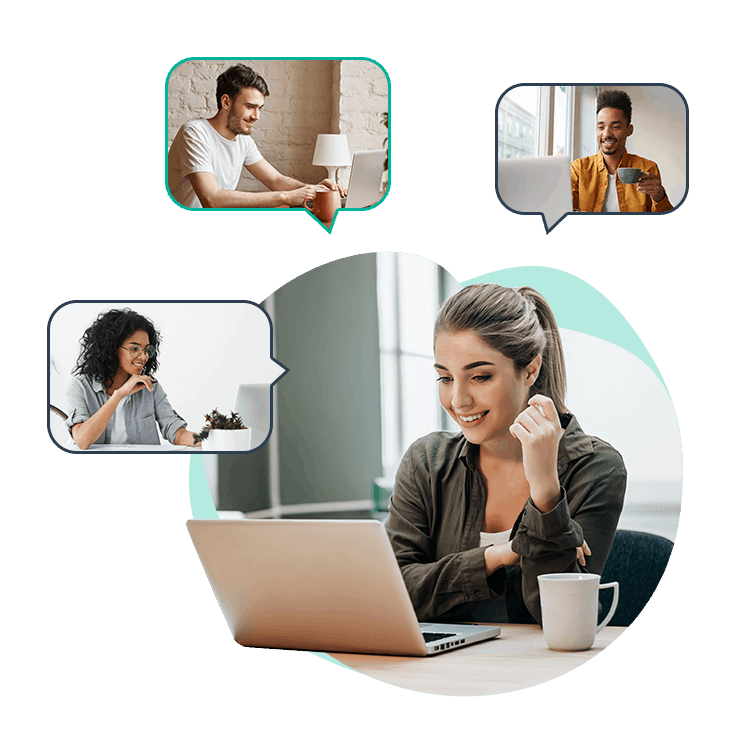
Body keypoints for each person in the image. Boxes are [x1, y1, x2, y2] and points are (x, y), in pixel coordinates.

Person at [384, 284, 627, 625]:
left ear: (530, 370)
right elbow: (393, 592)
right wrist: (499, 556)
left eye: (480, 376)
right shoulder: (427, 463)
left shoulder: (596, 467)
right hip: (435, 670)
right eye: (445, 378)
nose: (458, 400)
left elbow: (562, 617)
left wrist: (545, 490)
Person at [168, 64, 343, 209]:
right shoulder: (194, 133)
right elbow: (211, 198)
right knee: (282, 205)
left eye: (260, 108)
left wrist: (314, 189)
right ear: (226, 102)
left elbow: (276, 180)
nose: (256, 116)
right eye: (250, 106)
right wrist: (285, 197)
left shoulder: (244, 141)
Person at [66, 309, 201, 450]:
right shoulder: (80, 386)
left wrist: (206, 437)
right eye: (134, 348)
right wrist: (119, 395)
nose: (143, 357)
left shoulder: (150, 387)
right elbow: (82, 440)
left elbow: (176, 433)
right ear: (111, 348)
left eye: (146, 350)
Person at [571, 89, 673, 213]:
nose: (606, 134)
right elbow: (561, 212)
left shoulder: (648, 168)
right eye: (601, 127)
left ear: (629, 130)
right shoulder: (578, 169)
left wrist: (659, 195)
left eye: (615, 127)